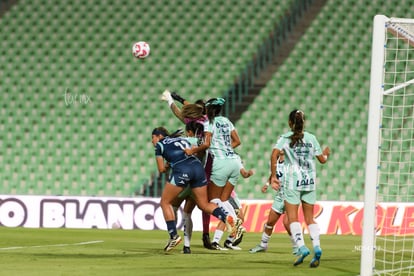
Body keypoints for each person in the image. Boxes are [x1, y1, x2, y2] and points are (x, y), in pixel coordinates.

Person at [152, 126, 236, 252]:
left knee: (165, 202)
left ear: (158, 136)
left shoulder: (159, 146)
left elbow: (161, 170)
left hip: (182, 170)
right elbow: (202, 145)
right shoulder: (182, 139)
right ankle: (225, 217)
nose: (152, 141)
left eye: (152, 138)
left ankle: (174, 236)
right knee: (204, 204)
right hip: (197, 168)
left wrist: (168, 165)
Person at [270, 109, 330, 267]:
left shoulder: (285, 138)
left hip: (292, 181)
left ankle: (302, 247)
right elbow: (322, 160)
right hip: (309, 181)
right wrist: (326, 154)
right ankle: (317, 246)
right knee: (310, 218)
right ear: (304, 123)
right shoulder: (311, 138)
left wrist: (273, 175)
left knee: (292, 218)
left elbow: (274, 154)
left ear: (290, 123)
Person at [184, 98, 242, 250]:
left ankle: (234, 220)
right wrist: (225, 147)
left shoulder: (208, 123)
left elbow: (206, 144)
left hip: (220, 163)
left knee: (214, 199)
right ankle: (235, 221)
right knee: (224, 198)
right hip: (234, 162)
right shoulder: (227, 121)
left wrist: (192, 150)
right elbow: (237, 141)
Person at [161, 90, 214, 249]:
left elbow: (178, 111)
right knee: (193, 211)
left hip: (184, 176)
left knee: (171, 205)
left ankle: (173, 236)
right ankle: (187, 245)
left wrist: (171, 99)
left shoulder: (187, 130)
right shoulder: (207, 123)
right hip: (200, 175)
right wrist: (181, 99)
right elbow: (191, 107)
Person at [249, 150, 297, 254]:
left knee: (287, 223)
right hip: (280, 195)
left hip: (291, 195)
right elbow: (273, 174)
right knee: (270, 222)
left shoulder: (292, 161)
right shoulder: (274, 162)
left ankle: (297, 246)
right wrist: (267, 184)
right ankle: (263, 245)